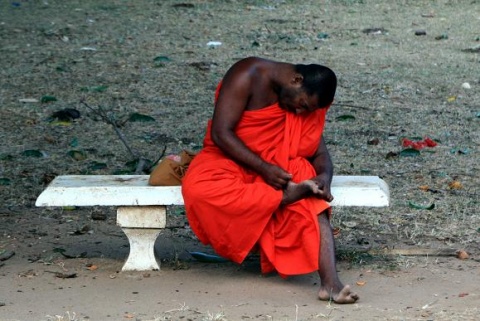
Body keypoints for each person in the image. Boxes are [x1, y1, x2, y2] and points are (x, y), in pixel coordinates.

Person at [181, 57, 359, 304]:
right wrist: (264, 169)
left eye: (307, 110)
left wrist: (325, 177)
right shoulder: (247, 74)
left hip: (281, 165)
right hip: (232, 159)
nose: (300, 113)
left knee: (312, 192)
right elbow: (221, 133)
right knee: (199, 190)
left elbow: (319, 152)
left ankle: (330, 283)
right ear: (296, 80)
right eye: (302, 104)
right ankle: (285, 197)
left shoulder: (305, 104)